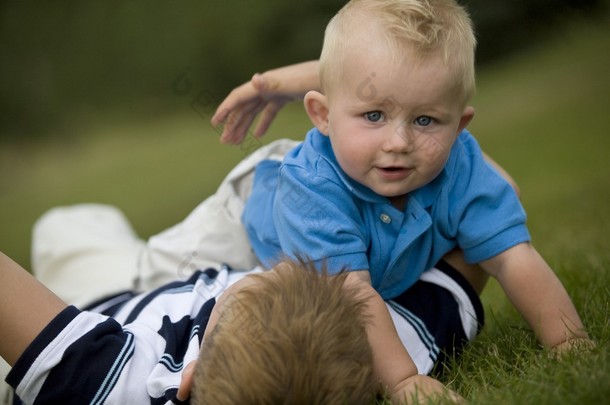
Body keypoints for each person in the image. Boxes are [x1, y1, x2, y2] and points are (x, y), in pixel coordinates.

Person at [221, 0, 592, 398]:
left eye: (425, 120)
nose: (399, 143)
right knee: (162, 274)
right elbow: (352, 293)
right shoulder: (312, 189)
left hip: (344, 184)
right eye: (375, 115)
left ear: (459, 125)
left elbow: (512, 255)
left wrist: (567, 340)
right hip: (244, 223)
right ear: (322, 115)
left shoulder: (460, 165)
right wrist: (403, 380)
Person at [4, 250, 458, 404]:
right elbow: (477, 234)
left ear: (191, 378)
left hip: (100, 296)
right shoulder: (390, 349)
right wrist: (406, 382)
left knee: (65, 229)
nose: (272, 270)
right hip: (188, 262)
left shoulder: (113, 385)